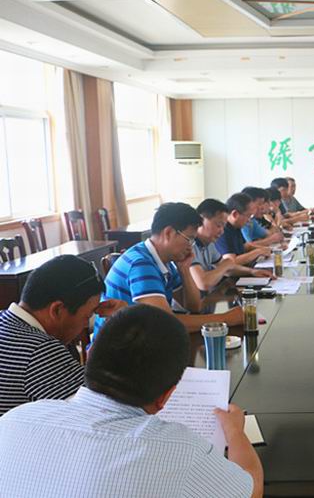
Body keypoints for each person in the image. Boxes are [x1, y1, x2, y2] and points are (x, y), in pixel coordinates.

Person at [0, 304, 263, 497]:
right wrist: (234, 431)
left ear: (88, 356)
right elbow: (251, 490)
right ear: (165, 397)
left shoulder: (14, 420)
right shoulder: (179, 451)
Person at [0, 255, 126, 416]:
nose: (85, 325)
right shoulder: (40, 350)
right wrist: (121, 326)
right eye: (87, 316)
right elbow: (105, 406)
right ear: (57, 310)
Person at [99, 202, 243, 336]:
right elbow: (164, 323)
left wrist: (184, 269)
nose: (191, 247)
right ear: (168, 233)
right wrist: (225, 318)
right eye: (189, 239)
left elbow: (194, 306)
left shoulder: (165, 260)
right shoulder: (141, 264)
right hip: (119, 347)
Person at [190, 198, 273, 293]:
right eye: (218, 225)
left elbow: (228, 269)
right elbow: (204, 283)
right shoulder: (189, 246)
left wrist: (252, 271)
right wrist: (226, 264)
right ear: (201, 221)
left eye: (223, 226)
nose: (221, 231)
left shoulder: (209, 244)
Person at [215, 192, 272, 266]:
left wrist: (268, 249)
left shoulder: (236, 226)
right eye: (248, 216)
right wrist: (258, 252)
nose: (249, 220)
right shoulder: (223, 230)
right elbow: (230, 261)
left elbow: (245, 246)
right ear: (235, 214)